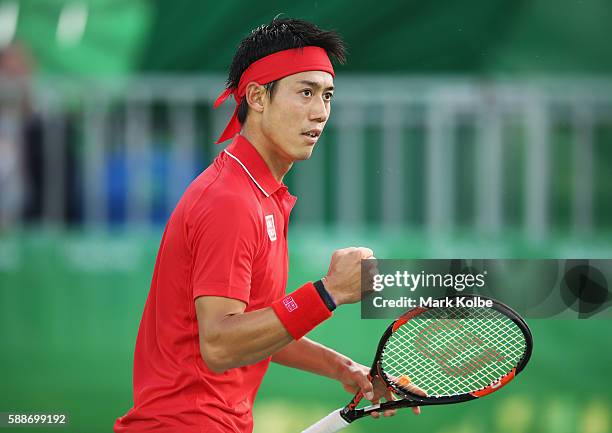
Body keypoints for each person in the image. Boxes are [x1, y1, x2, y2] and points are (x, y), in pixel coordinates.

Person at [114, 17, 420, 433]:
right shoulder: (230, 202)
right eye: (306, 93)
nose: (320, 112)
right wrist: (328, 292)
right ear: (257, 97)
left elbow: (256, 326)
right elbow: (221, 344)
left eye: (327, 96)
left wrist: (343, 368)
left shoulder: (259, 194)